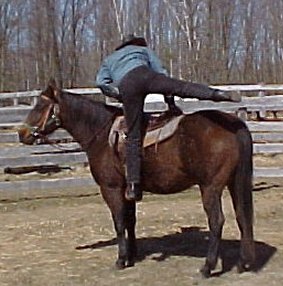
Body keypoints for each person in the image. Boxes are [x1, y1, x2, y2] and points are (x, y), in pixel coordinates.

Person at [96, 34, 241, 202]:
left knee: (133, 136)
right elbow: (161, 71)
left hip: (128, 84)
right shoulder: (143, 50)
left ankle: (134, 185)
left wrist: (117, 94)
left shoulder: (110, 59)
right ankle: (217, 94)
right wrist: (169, 102)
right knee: (182, 87)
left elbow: (101, 82)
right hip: (148, 75)